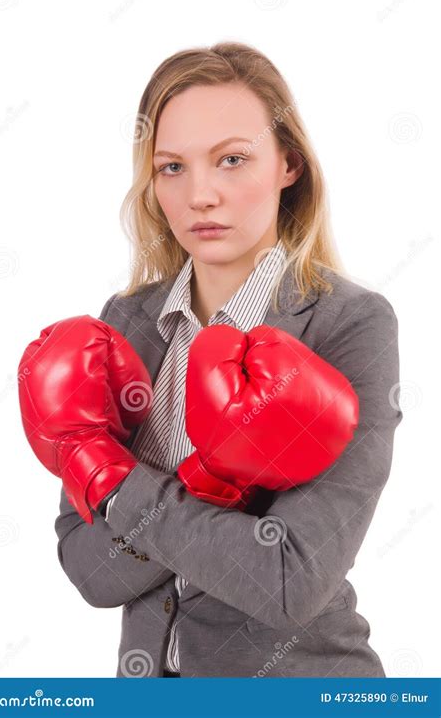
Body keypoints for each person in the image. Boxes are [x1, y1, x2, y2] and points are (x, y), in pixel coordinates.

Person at [20, 42, 403, 677]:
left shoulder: (348, 324)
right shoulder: (124, 324)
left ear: (289, 164)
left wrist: (114, 482)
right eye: (172, 167)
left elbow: (290, 580)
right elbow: (91, 571)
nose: (201, 195)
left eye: (232, 159)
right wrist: (209, 495)